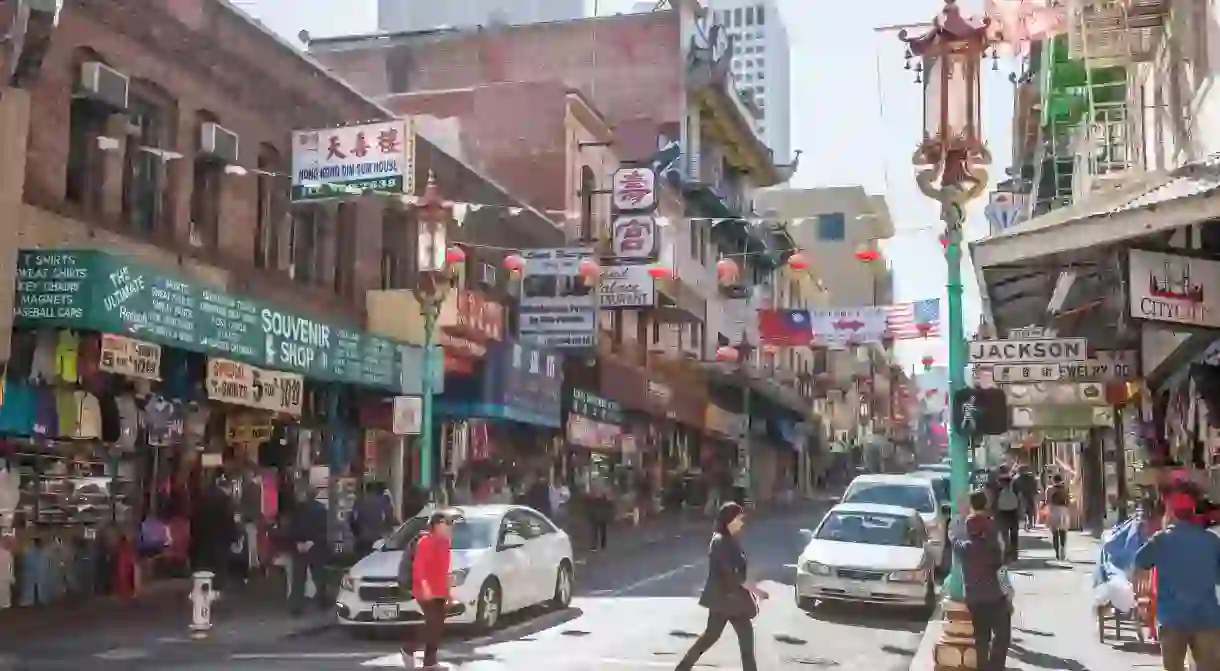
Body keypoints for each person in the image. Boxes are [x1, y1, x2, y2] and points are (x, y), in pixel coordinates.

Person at [674, 502, 767, 671]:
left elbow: (739, 570)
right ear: (729, 519)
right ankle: (682, 668)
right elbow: (728, 572)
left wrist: (752, 587)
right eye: (738, 518)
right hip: (723, 599)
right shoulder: (720, 541)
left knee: (744, 641)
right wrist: (754, 589)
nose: (741, 522)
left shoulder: (732, 540)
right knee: (710, 637)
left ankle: (682, 668)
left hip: (734, 599)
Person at [1134, 492, 1220, 671]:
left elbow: (1139, 561)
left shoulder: (1161, 540)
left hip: (1172, 619)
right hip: (1207, 617)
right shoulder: (1212, 541)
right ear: (1193, 512)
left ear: (1171, 514)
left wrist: (1141, 591)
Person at [951, 489, 1011, 671]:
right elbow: (1002, 568)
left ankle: (984, 668)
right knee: (1002, 636)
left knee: (981, 638)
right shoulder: (993, 543)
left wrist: (959, 517)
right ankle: (995, 667)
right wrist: (1008, 593)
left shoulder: (964, 548)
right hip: (995, 596)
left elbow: (953, 537)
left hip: (975, 598)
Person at [407, 510, 455, 669]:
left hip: (439, 588)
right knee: (432, 622)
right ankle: (409, 648)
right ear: (434, 526)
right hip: (425, 588)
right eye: (444, 524)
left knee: (437, 625)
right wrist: (425, 588)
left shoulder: (446, 543)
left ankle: (430, 661)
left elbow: (446, 569)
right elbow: (418, 568)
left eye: (449, 524)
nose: (448, 527)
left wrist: (449, 594)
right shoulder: (425, 542)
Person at [286, 484, 329, 616]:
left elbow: (291, 528)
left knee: (298, 577)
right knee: (318, 574)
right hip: (315, 546)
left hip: (299, 546)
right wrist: (312, 542)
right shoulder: (321, 509)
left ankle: (296, 607)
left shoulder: (296, 509)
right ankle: (323, 601)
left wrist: (297, 543)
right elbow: (323, 529)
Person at [351, 482, 397, 557]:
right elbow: (389, 519)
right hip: (377, 540)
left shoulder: (359, 502)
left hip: (362, 538)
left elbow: (352, 519)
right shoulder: (383, 502)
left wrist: (357, 533)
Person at [993, 472, 1021, 560]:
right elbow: (1019, 502)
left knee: (1006, 534)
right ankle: (1011, 554)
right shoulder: (1014, 490)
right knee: (1012, 535)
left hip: (1004, 514)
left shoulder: (997, 492)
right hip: (1011, 513)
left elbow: (994, 504)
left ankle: (1008, 553)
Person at [1044, 475, 1071, 560]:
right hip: (1063, 510)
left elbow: (1047, 501)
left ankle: (1057, 553)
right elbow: (1068, 501)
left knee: (1055, 533)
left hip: (1053, 510)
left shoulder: (1049, 489)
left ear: (1053, 480)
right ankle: (1062, 548)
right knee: (1063, 531)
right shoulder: (1065, 489)